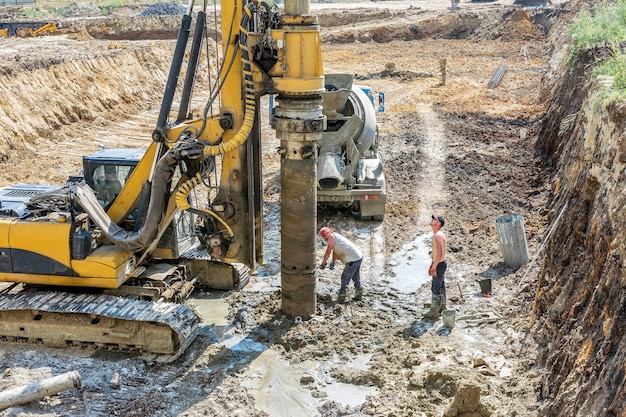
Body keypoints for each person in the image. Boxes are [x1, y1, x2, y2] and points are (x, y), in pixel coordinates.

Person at [319, 227, 363, 303]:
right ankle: (359, 294)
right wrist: (333, 263)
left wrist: (323, 264)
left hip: (353, 259)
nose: (324, 239)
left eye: (324, 237)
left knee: (345, 277)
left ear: (327, 234)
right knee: (355, 276)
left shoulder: (331, 238)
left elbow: (328, 252)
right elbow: (335, 251)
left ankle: (342, 297)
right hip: (358, 257)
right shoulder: (335, 235)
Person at [424, 214, 448, 319]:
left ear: (438, 223)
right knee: (441, 285)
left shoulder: (438, 236)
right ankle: (442, 308)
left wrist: (434, 266)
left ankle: (434, 313)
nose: (432, 220)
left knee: (435, 288)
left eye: (434, 219)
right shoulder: (439, 234)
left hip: (439, 264)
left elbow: (440, 253)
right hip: (441, 263)